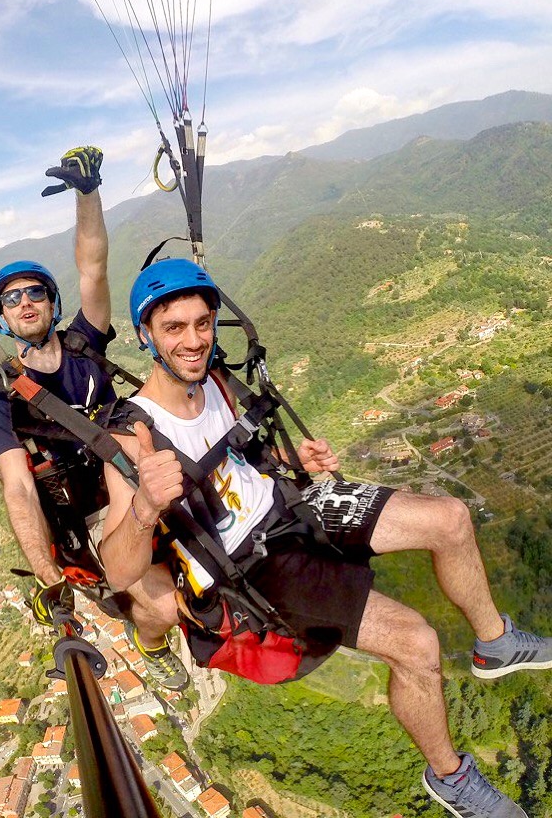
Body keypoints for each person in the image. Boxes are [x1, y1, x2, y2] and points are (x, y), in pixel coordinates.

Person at [101, 257, 552, 818]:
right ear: (147, 335)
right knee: (417, 644)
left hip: (289, 504)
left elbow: (238, 461)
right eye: (175, 328)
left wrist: (294, 459)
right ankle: (451, 778)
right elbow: (118, 572)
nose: (193, 340)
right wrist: (144, 507)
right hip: (252, 562)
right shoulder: (133, 434)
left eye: (202, 323)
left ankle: (494, 642)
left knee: (451, 518)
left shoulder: (212, 382)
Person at [0, 146, 185, 689]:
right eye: (11, 299)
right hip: (88, 506)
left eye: (34, 293)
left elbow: (94, 266)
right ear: (2, 317)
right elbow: (17, 485)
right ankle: (152, 641)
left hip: (140, 467)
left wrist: (87, 193)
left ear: (52, 302)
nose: (24, 303)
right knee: (154, 603)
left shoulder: (85, 343)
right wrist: (47, 575)